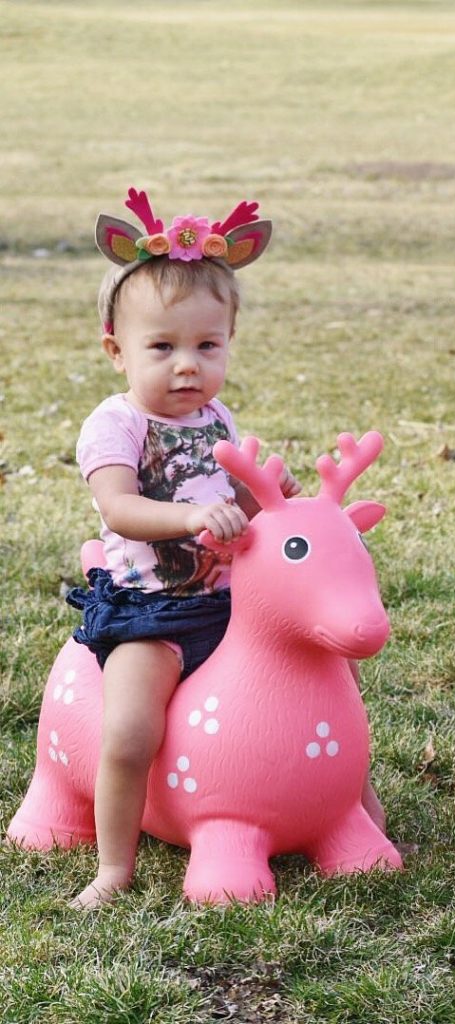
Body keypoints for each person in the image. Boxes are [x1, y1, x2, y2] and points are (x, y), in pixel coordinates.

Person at [64, 190, 295, 908]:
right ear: (117, 351)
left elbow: (241, 509)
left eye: (207, 346)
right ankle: (113, 866)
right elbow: (119, 508)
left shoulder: (217, 416)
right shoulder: (117, 424)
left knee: (314, 685)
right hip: (150, 613)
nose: (187, 366)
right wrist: (195, 515)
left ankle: (353, 813)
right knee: (130, 732)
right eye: (162, 347)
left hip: (229, 607)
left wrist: (268, 494)